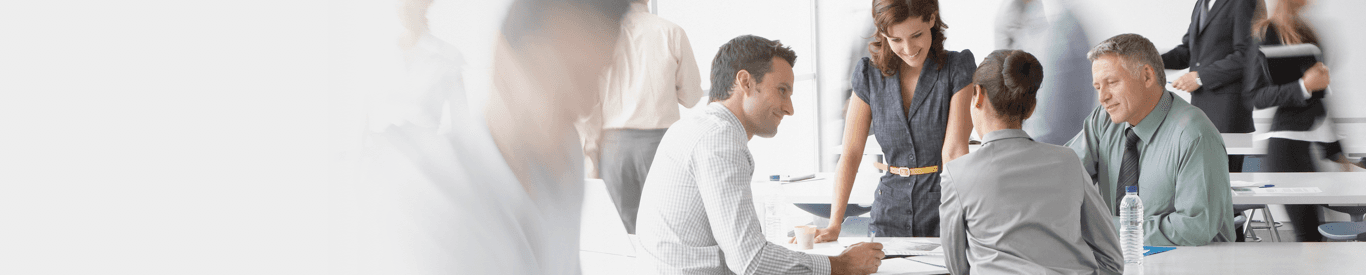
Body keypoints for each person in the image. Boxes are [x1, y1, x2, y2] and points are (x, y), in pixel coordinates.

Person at [360, 0, 632, 274]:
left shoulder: (568, 161)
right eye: (572, 74)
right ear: (506, 64)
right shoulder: (430, 208)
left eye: (596, 78)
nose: (586, 106)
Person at [634, 35, 885, 275]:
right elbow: (750, 261)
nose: (789, 108)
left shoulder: (692, 127)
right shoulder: (719, 140)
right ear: (745, 82)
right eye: (782, 90)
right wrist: (841, 265)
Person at [939, 49, 1123, 275]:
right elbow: (1112, 261)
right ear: (1032, 107)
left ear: (977, 95)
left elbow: (957, 268)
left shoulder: (957, 174)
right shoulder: (1068, 162)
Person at [817, 0, 977, 241]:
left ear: (932, 19)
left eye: (916, 35)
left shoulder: (957, 68)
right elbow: (850, 153)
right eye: (896, 40)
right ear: (883, 34)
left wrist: (965, 221)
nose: (909, 48)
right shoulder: (868, 75)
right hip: (887, 216)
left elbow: (954, 151)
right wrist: (833, 224)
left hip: (944, 211)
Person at [1066, 33, 1236, 246]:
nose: (1103, 97)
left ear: (1147, 76)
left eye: (1111, 82)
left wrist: (1106, 228)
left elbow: (1194, 228)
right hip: (1125, 258)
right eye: (1098, 87)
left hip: (1193, 263)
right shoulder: (1103, 120)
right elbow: (1064, 175)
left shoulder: (1194, 136)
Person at [581, 0, 705, 234]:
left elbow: (588, 108)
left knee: (623, 234)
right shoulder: (671, 31)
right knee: (667, 229)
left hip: (613, 149)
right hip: (661, 145)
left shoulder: (599, 35)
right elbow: (692, 96)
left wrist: (590, 156)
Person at [1242, 0, 1359, 242]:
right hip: (1286, 149)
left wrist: (1336, 151)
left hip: (1311, 144)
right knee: (1308, 236)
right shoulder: (1267, 32)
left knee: (1315, 235)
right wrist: (1303, 86)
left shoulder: (1306, 29)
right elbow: (1255, 96)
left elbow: (1320, 98)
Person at [1160, 0, 1258, 173]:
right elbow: (1188, 52)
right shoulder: (1201, 3)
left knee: (1224, 184)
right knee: (1202, 181)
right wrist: (1149, 61)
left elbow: (1247, 55)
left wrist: (1200, 77)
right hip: (1201, 110)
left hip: (1227, 113)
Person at [995, 0, 1096, 146]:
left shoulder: (1057, 27)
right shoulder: (1045, 21)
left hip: (1050, 154)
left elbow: (1050, 129)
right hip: (1053, 152)